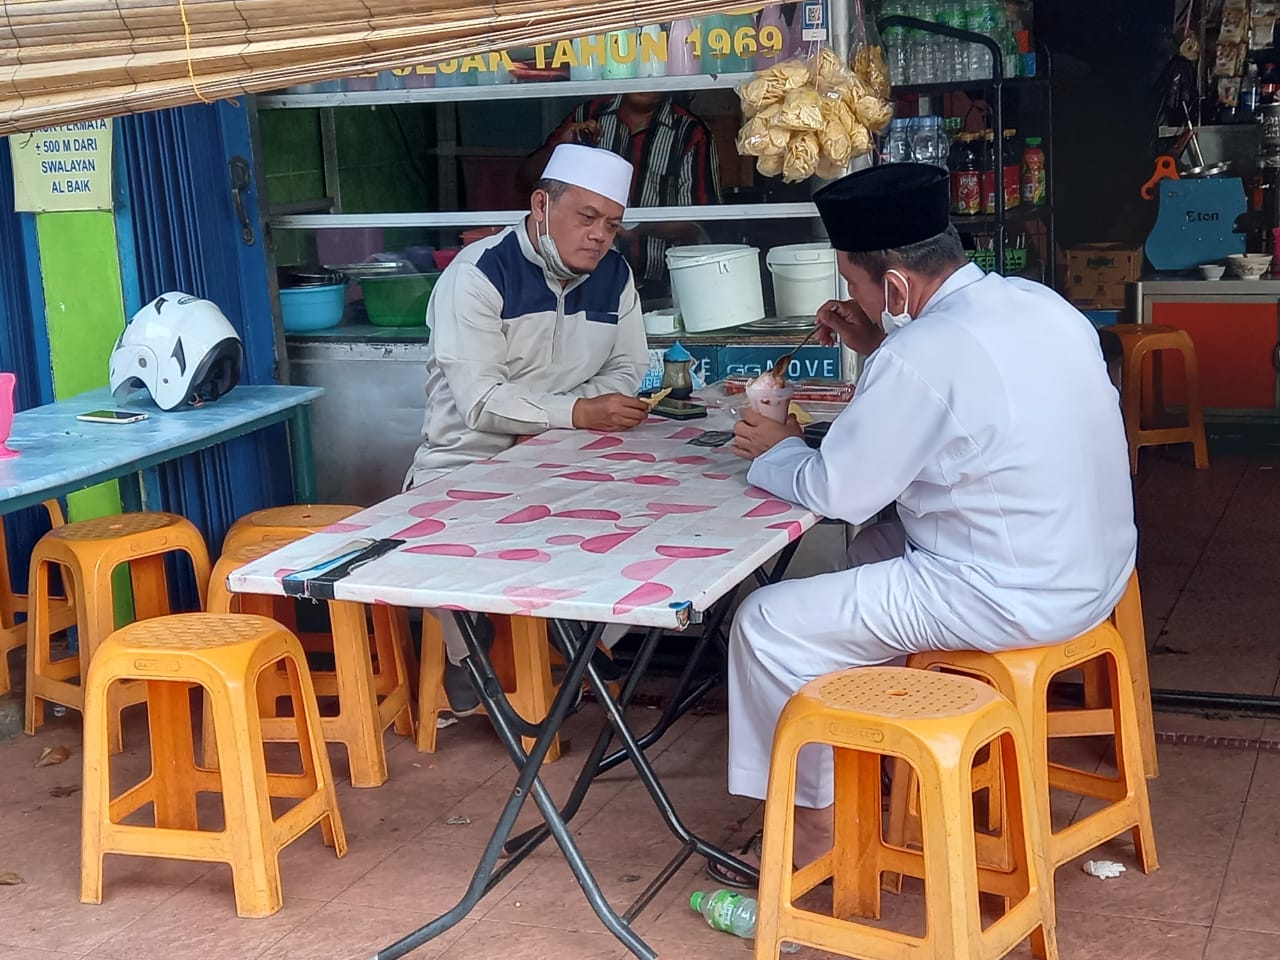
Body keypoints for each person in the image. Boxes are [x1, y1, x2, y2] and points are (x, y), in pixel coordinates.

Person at [710, 162, 1137, 885]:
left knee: (766, 621)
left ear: (898, 286)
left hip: (1007, 592)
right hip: (1097, 573)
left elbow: (838, 490)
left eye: (855, 284)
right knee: (870, 554)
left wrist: (775, 450)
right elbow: (973, 402)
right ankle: (866, 747)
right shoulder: (1038, 304)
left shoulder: (920, 355)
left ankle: (811, 827)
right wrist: (877, 349)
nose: (853, 298)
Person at [406, 143, 651, 712]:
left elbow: (627, 369)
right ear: (541, 206)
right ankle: (469, 650)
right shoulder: (478, 275)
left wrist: (561, 422)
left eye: (611, 225)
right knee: (442, 550)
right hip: (467, 460)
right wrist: (575, 413)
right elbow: (481, 401)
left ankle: (576, 644)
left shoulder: (615, 276)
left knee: (647, 533)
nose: (599, 236)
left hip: (573, 454)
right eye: (586, 218)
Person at [519, 93, 721, 297]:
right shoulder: (589, 115)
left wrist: (636, 227)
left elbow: (701, 219)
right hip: (579, 282)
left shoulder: (689, 132)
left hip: (661, 285)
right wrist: (561, 147)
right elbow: (528, 179)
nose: (647, 79)